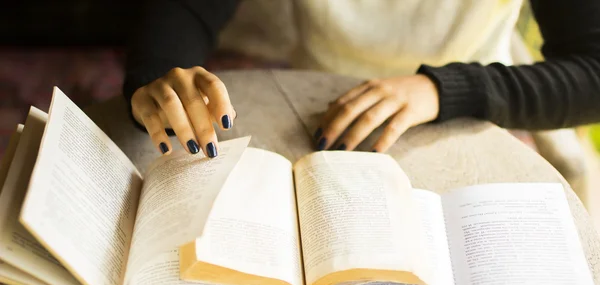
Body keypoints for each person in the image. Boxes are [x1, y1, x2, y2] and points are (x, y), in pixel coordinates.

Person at [124, 0, 600, 157]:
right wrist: (161, 76)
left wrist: (443, 89)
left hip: (470, 110)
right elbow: (187, 8)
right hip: (310, 104)